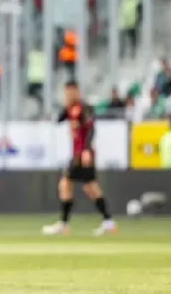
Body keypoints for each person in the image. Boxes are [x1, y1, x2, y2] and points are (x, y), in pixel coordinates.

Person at [43, 81, 117, 236]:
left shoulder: (84, 108)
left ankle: (64, 223)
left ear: (77, 92)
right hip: (78, 153)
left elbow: (91, 129)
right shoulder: (70, 109)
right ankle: (108, 222)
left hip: (82, 154)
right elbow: (59, 119)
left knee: (66, 184)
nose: (68, 95)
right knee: (90, 187)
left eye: (71, 92)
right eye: (66, 92)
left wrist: (86, 150)